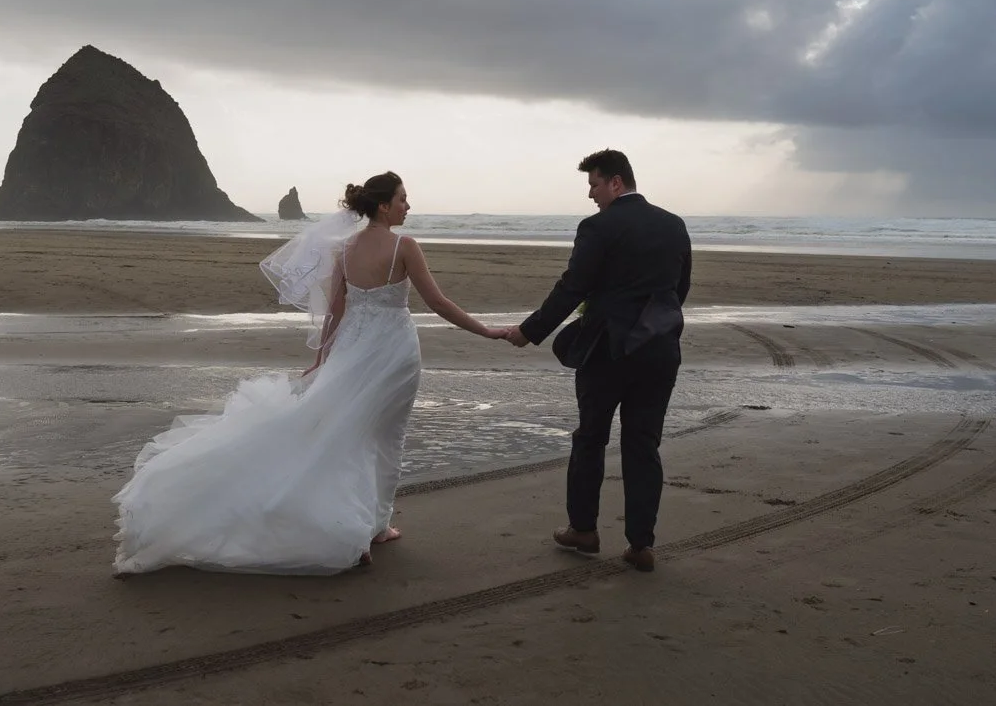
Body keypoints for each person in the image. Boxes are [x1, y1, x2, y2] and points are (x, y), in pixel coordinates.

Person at [113, 171, 507, 575]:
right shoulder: (404, 246)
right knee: (387, 435)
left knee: (344, 430)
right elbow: (437, 303)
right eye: (403, 199)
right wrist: (488, 331)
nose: (409, 206)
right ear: (384, 205)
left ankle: (361, 522)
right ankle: (374, 526)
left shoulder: (346, 249)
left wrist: (323, 359)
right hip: (393, 351)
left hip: (352, 349)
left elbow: (336, 310)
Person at [503, 149, 692, 572]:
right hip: (660, 349)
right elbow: (680, 289)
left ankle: (584, 530)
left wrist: (530, 331)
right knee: (643, 443)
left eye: (593, 185)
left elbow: (573, 287)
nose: (590, 195)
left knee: (591, 437)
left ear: (616, 183)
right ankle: (641, 544)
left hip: (607, 349)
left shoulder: (599, 226)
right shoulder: (673, 225)